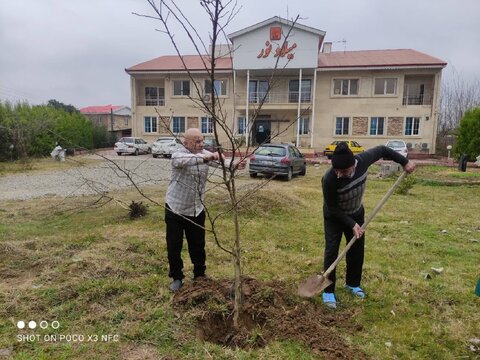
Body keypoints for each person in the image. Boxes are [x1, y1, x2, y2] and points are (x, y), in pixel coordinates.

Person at [321, 142, 415, 309]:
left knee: (357, 249)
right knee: (332, 251)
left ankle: (352, 284)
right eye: (336, 170)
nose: (338, 174)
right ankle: (328, 290)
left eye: (343, 171)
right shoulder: (328, 179)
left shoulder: (363, 160)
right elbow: (333, 209)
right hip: (334, 217)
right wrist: (351, 224)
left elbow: (383, 150)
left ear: (353, 165)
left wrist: (404, 162)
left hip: (356, 211)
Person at [164, 128, 245, 292]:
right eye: (197, 141)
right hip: (175, 208)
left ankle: (200, 274)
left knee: (198, 244)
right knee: (174, 244)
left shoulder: (204, 154)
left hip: (196, 208)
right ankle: (177, 277)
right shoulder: (178, 155)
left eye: (202, 140)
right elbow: (188, 160)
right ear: (186, 143)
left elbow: (221, 162)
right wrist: (207, 157)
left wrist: (235, 164)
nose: (201, 144)